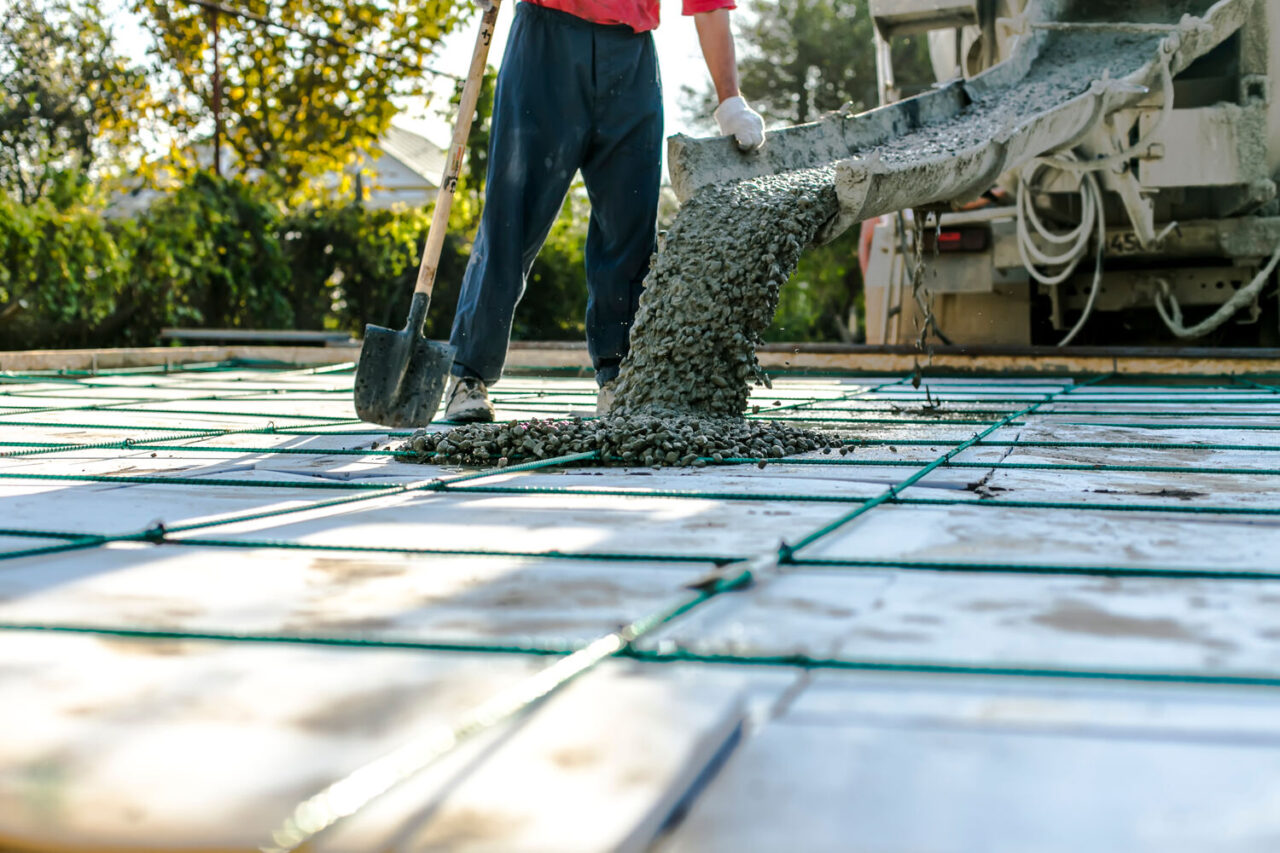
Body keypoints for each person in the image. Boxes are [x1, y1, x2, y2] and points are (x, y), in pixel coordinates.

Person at [444, 0, 766, 422]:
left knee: (630, 225)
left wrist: (730, 99)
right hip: (544, 44)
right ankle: (468, 374)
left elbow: (708, 4)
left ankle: (619, 378)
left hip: (630, 56)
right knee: (511, 216)